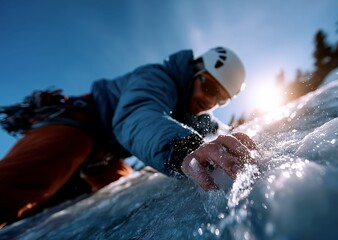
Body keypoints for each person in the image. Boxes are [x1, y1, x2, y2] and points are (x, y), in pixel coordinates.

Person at [0, 46, 257, 228]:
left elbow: (215, 129)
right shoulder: (156, 77)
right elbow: (136, 114)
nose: (209, 100)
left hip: (102, 158)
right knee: (16, 187)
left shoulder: (193, 112)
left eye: (220, 99)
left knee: (124, 194)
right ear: (195, 69)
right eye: (209, 86)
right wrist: (185, 147)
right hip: (75, 125)